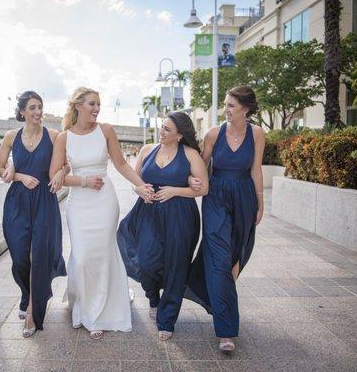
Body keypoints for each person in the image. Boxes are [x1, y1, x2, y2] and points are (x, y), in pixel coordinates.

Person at [49, 87, 154, 340]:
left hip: (105, 201)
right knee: (83, 257)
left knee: (104, 253)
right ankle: (85, 304)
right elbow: (54, 178)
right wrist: (83, 181)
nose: (96, 109)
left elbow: (120, 163)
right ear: (77, 106)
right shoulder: (64, 138)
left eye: (98, 104)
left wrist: (139, 184)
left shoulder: (106, 130)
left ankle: (99, 312)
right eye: (92, 104)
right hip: (79, 204)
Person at [186, 86, 265, 352]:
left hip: (244, 198)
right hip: (217, 199)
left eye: (231, 105)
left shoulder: (257, 134)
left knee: (234, 260)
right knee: (218, 261)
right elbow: (199, 164)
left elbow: (255, 170)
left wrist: (260, 202)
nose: (226, 110)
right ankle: (226, 331)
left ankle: (219, 300)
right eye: (225, 105)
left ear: (245, 108)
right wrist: (190, 180)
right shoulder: (213, 134)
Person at [117, 111, 209, 341]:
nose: (162, 131)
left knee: (176, 267)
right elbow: (136, 180)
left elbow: (203, 189)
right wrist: (138, 189)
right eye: (162, 126)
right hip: (147, 214)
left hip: (181, 217)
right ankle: (153, 298)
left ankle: (167, 319)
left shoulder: (190, 154)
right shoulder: (147, 150)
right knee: (147, 263)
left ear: (180, 135)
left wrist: (175, 190)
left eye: (167, 129)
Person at [0, 91, 67, 337]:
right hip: (17, 201)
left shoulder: (54, 135)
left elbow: (66, 163)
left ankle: (33, 311)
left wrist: (60, 173)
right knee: (19, 257)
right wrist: (18, 175)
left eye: (40, 107)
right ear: (22, 112)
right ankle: (27, 293)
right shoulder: (10, 136)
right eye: (33, 108)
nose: (38, 112)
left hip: (44, 201)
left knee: (39, 256)